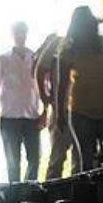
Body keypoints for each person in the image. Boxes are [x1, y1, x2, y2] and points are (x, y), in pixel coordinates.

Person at [56, 7, 103, 171]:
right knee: (86, 159)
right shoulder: (67, 51)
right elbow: (62, 85)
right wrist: (60, 113)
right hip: (81, 112)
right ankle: (90, 193)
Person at [0, 21, 42, 182]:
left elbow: (44, 86)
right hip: (9, 117)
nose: (20, 36)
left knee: (34, 159)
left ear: (27, 34)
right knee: (13, 163)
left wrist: (46, 112)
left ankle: (29, 193)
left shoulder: (35, 58)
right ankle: (14, 197)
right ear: (13, 35)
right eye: (17, 33)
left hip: (32, 116)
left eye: (23, 33)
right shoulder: (4, 59)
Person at [34, 33, 78, 179]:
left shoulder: (92, 43)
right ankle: (52, 196)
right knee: (58, 157)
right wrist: (46, 98)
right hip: (63, 108)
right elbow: (40, 69)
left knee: (78, 158)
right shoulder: (59, 43)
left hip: (81, 107)